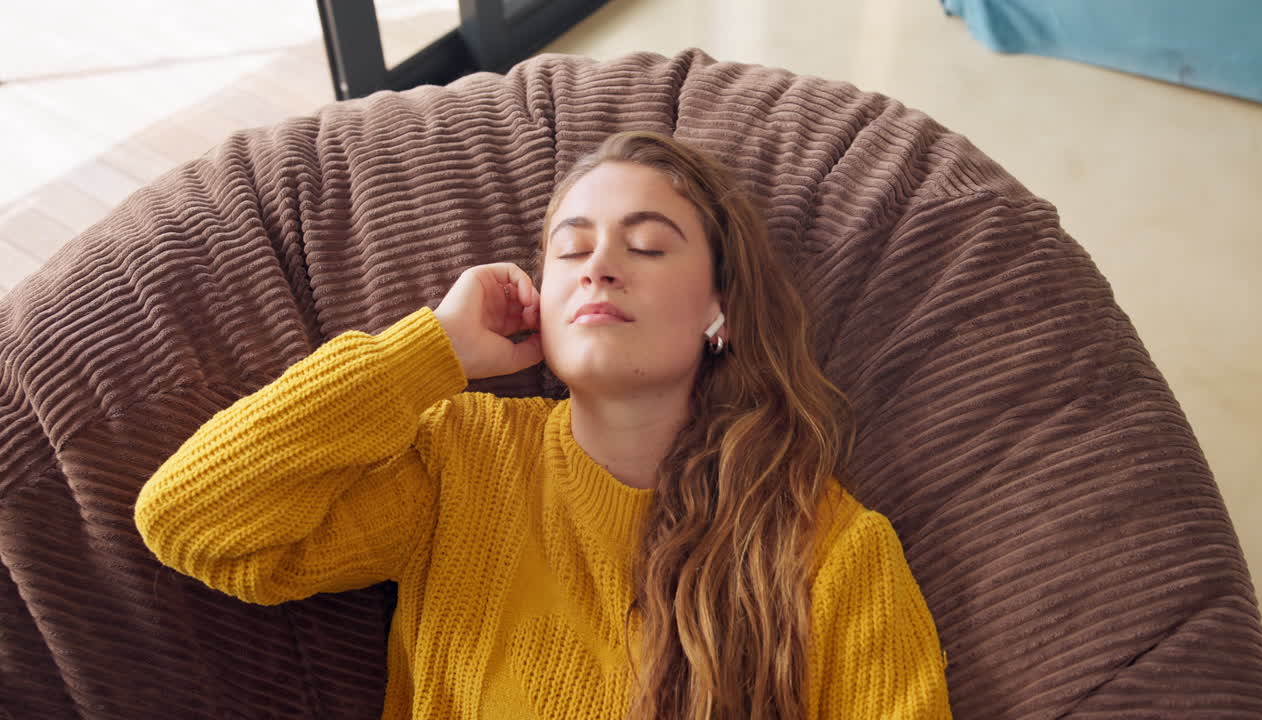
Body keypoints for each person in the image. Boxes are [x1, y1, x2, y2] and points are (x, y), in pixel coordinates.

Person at [134, 130, 951, 719]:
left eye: (647, 246)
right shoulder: (462, 459)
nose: (599, 266)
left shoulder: (835, 552)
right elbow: (192, 523)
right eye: (570, 249)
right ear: (540, 301)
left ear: (721, 310)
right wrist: (430, 350)